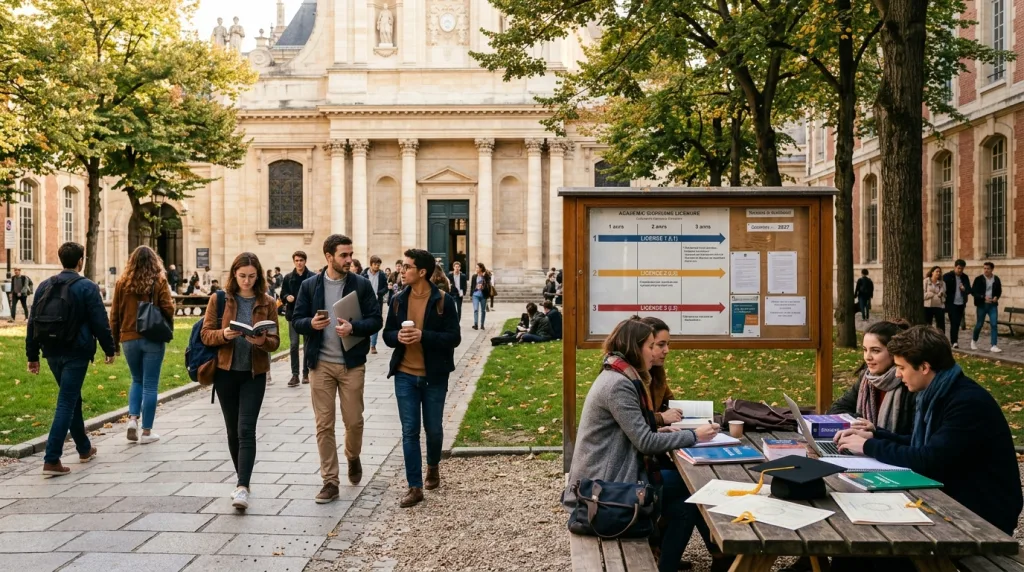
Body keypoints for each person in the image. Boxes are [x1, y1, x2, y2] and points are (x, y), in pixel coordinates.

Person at [563, 317, 718, 572]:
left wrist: (658, 426)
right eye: (651, 345)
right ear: (635, 349)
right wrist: (695, 436)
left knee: (689, 496)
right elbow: (645, 442)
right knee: (694, 491)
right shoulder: (618, 385)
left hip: (609, 473)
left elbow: (637, 430)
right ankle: (713, 554)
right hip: (604, 485)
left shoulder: (621, 375)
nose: (656, 351)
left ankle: (698, 556)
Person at [836, 326, 1022, 536]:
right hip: (952, 494)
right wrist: (876, 434)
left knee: (876, 535)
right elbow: (925, 445)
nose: (897, 374)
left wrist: (869, 446)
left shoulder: (966, 403)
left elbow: (928, 460)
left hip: (980, 511)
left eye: (901, 367)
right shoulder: (940, 391)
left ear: (924, 367)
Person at [293, 235, 382, 503]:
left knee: (354, 420)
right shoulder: (310, 285)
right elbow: (296, 320)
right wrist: (311, 324)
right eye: (344, 255)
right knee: (324, 424)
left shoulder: (361, 284)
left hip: (352, 364)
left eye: (351, 254)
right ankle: (330, 481)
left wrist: (354, 328)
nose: (349, 260)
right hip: (320, 365)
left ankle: (352, 456)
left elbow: (376, 319)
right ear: (329, 257)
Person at [26, 242, 116, 476]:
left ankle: (84, 449)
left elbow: (32, 321)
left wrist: (32, 355)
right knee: (67, 400)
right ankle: (52, 458)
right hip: (77, 351)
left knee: (72, 398)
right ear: (80, 261)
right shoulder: (87, 287)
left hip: (51, 350)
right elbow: (99, 321)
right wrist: (109, 348)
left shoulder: (45, 285)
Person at [200, 252, 280, 510]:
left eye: (252, 276)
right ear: (234, 274)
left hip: (253, 374)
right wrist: (223, 334)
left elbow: (275, 341)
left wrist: (261, 341)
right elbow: (205, 335)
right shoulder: (220, 299)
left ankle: (243, 486)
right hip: (225, 372)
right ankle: (241, 481)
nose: (247, 281)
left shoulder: (267, 301)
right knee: (233, 431)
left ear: (259, 276)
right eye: (242, 276)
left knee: (246, 429)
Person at [382, 249, 461, 508]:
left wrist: (422, 336)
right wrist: (398, 338)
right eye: (403, 266)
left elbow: (454, 338)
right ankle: (414, 486)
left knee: (434, 428)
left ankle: (433, 466)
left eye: (407, 267)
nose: (402, 271)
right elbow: (387, 334)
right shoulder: (397, 299)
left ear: (422, 272)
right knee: (409, 431)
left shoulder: (443, 301)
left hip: (433, 376)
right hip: (404, 374)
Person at [109, 245, 175, 445]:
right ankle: (146, 432)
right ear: (155, 262)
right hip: (152, 336)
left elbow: (114, 316)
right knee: (150, 384)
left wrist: (113, 345)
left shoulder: (122, 283)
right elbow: (168, 308)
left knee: (136, 380)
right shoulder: (159, 281)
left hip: (128, 338)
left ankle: (132, 419)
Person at [827, 320, 915, 436]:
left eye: (875, 351)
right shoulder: (866, 378)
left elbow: (913, 436)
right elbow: (837, 408)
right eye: (865, 350)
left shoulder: (909, 383)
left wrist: (874, 432)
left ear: (894, 352)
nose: (867, 357)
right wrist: (860, 423)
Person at [280, 251, 314, 387]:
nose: (299, 263)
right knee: (294, 345)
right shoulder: (288, 277)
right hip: (293, 315)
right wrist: (287, 297)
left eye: (301, 260)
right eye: (296, 260)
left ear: (305, 261)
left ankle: (306, 372)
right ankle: (295, 374)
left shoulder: (312, 277)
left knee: (306, 344)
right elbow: (282, 293)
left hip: (307, 316)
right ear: (294, 262)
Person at [970, 261, 1002, 353]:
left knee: (994, 324)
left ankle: (994, 345)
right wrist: (983, 297)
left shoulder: (996, 279)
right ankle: (974, 341)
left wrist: (996, 297)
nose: (986, 270)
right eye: (984, 268)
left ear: (992, 269)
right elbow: (973, 292)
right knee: (979, 324)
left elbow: (999, 291)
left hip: (992, 305)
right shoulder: (979, 279)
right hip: (982, 305)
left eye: (988, 268)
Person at [363, 255, 389, 354]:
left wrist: (379, 293)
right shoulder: (364, 275)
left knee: (375, 322)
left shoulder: (382, 275)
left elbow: (385, 287)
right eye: (375, 264)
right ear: (371, 264)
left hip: (377, 302)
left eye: (378, 265)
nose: (377, 266)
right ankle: (366, 343)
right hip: (365, 302)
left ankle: (373, 345)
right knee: (365, 321)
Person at [942, 260, 970, 348]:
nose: (960, 270)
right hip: (951, 303)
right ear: (955, 267)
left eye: (962, 269)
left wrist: (964, 289)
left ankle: (954, 341)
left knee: (956, 323)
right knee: (953, 322)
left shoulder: (965, 277)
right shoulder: (947, 276)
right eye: (958, 268)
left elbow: (969, 289)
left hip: (961, 303)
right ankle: (953, 341)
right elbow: (943, 288)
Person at [923, 266, 946, 333]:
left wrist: (940, 294)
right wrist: (931, 294)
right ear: (932, 272)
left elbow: (943, 294)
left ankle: (941, 339)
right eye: (937, 271)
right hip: (928, 306)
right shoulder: (926, 281)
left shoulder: (942, 283)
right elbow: (923, 295)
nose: (938, 273)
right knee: (927, 325)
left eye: (940, 272)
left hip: (939, 306)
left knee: (941, 326)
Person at [471, 263, 491, 330]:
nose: (476, 269)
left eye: (477, 268)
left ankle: (482, 325)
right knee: (476, 309)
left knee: (483, 310)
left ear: (481, 268)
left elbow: (489, 284)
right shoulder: (474, 276)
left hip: (483, 295)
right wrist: (471, 294)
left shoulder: (485, 276)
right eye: (476, 268)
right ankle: (475, 324)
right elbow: (472, 286)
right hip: (475, 295)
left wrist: (485, 276)